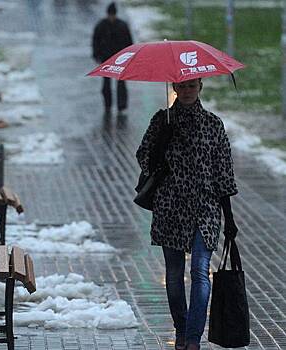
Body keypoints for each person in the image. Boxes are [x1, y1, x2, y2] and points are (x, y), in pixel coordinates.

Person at [136, 78, 238, 350]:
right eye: (182, 87)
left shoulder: (213, 124)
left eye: (192, 86)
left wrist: (229, 219)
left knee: (200, 272)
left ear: (200, 87)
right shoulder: (162, 120)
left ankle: (193, 338)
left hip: (206, 208)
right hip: (171, 206)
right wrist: (161, 143)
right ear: (174, 89)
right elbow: (144, 157)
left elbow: (224, 172)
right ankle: (181, 329)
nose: (187, 91)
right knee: (173, 273)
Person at [92, 2, 133, 114]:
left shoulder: (122, 26)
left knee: (121, 83)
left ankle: (121, 105)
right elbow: (95, 41)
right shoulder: (101, 26)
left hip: (121, 59)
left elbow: (129, 43)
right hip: (106, 58)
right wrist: (96, 54)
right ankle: (108, 104)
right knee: (106, 84)